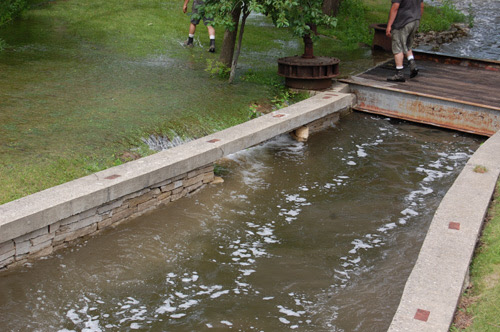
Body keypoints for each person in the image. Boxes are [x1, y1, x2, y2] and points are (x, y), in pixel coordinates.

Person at [386, 0, 424, 82]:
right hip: (415, 20)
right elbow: (421, 6)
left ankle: (399, 74)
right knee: (407, 44)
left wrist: (389, 25)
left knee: (398, 46)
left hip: (402, 22)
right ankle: (412, 65)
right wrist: (417, 19)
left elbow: (395, 7)